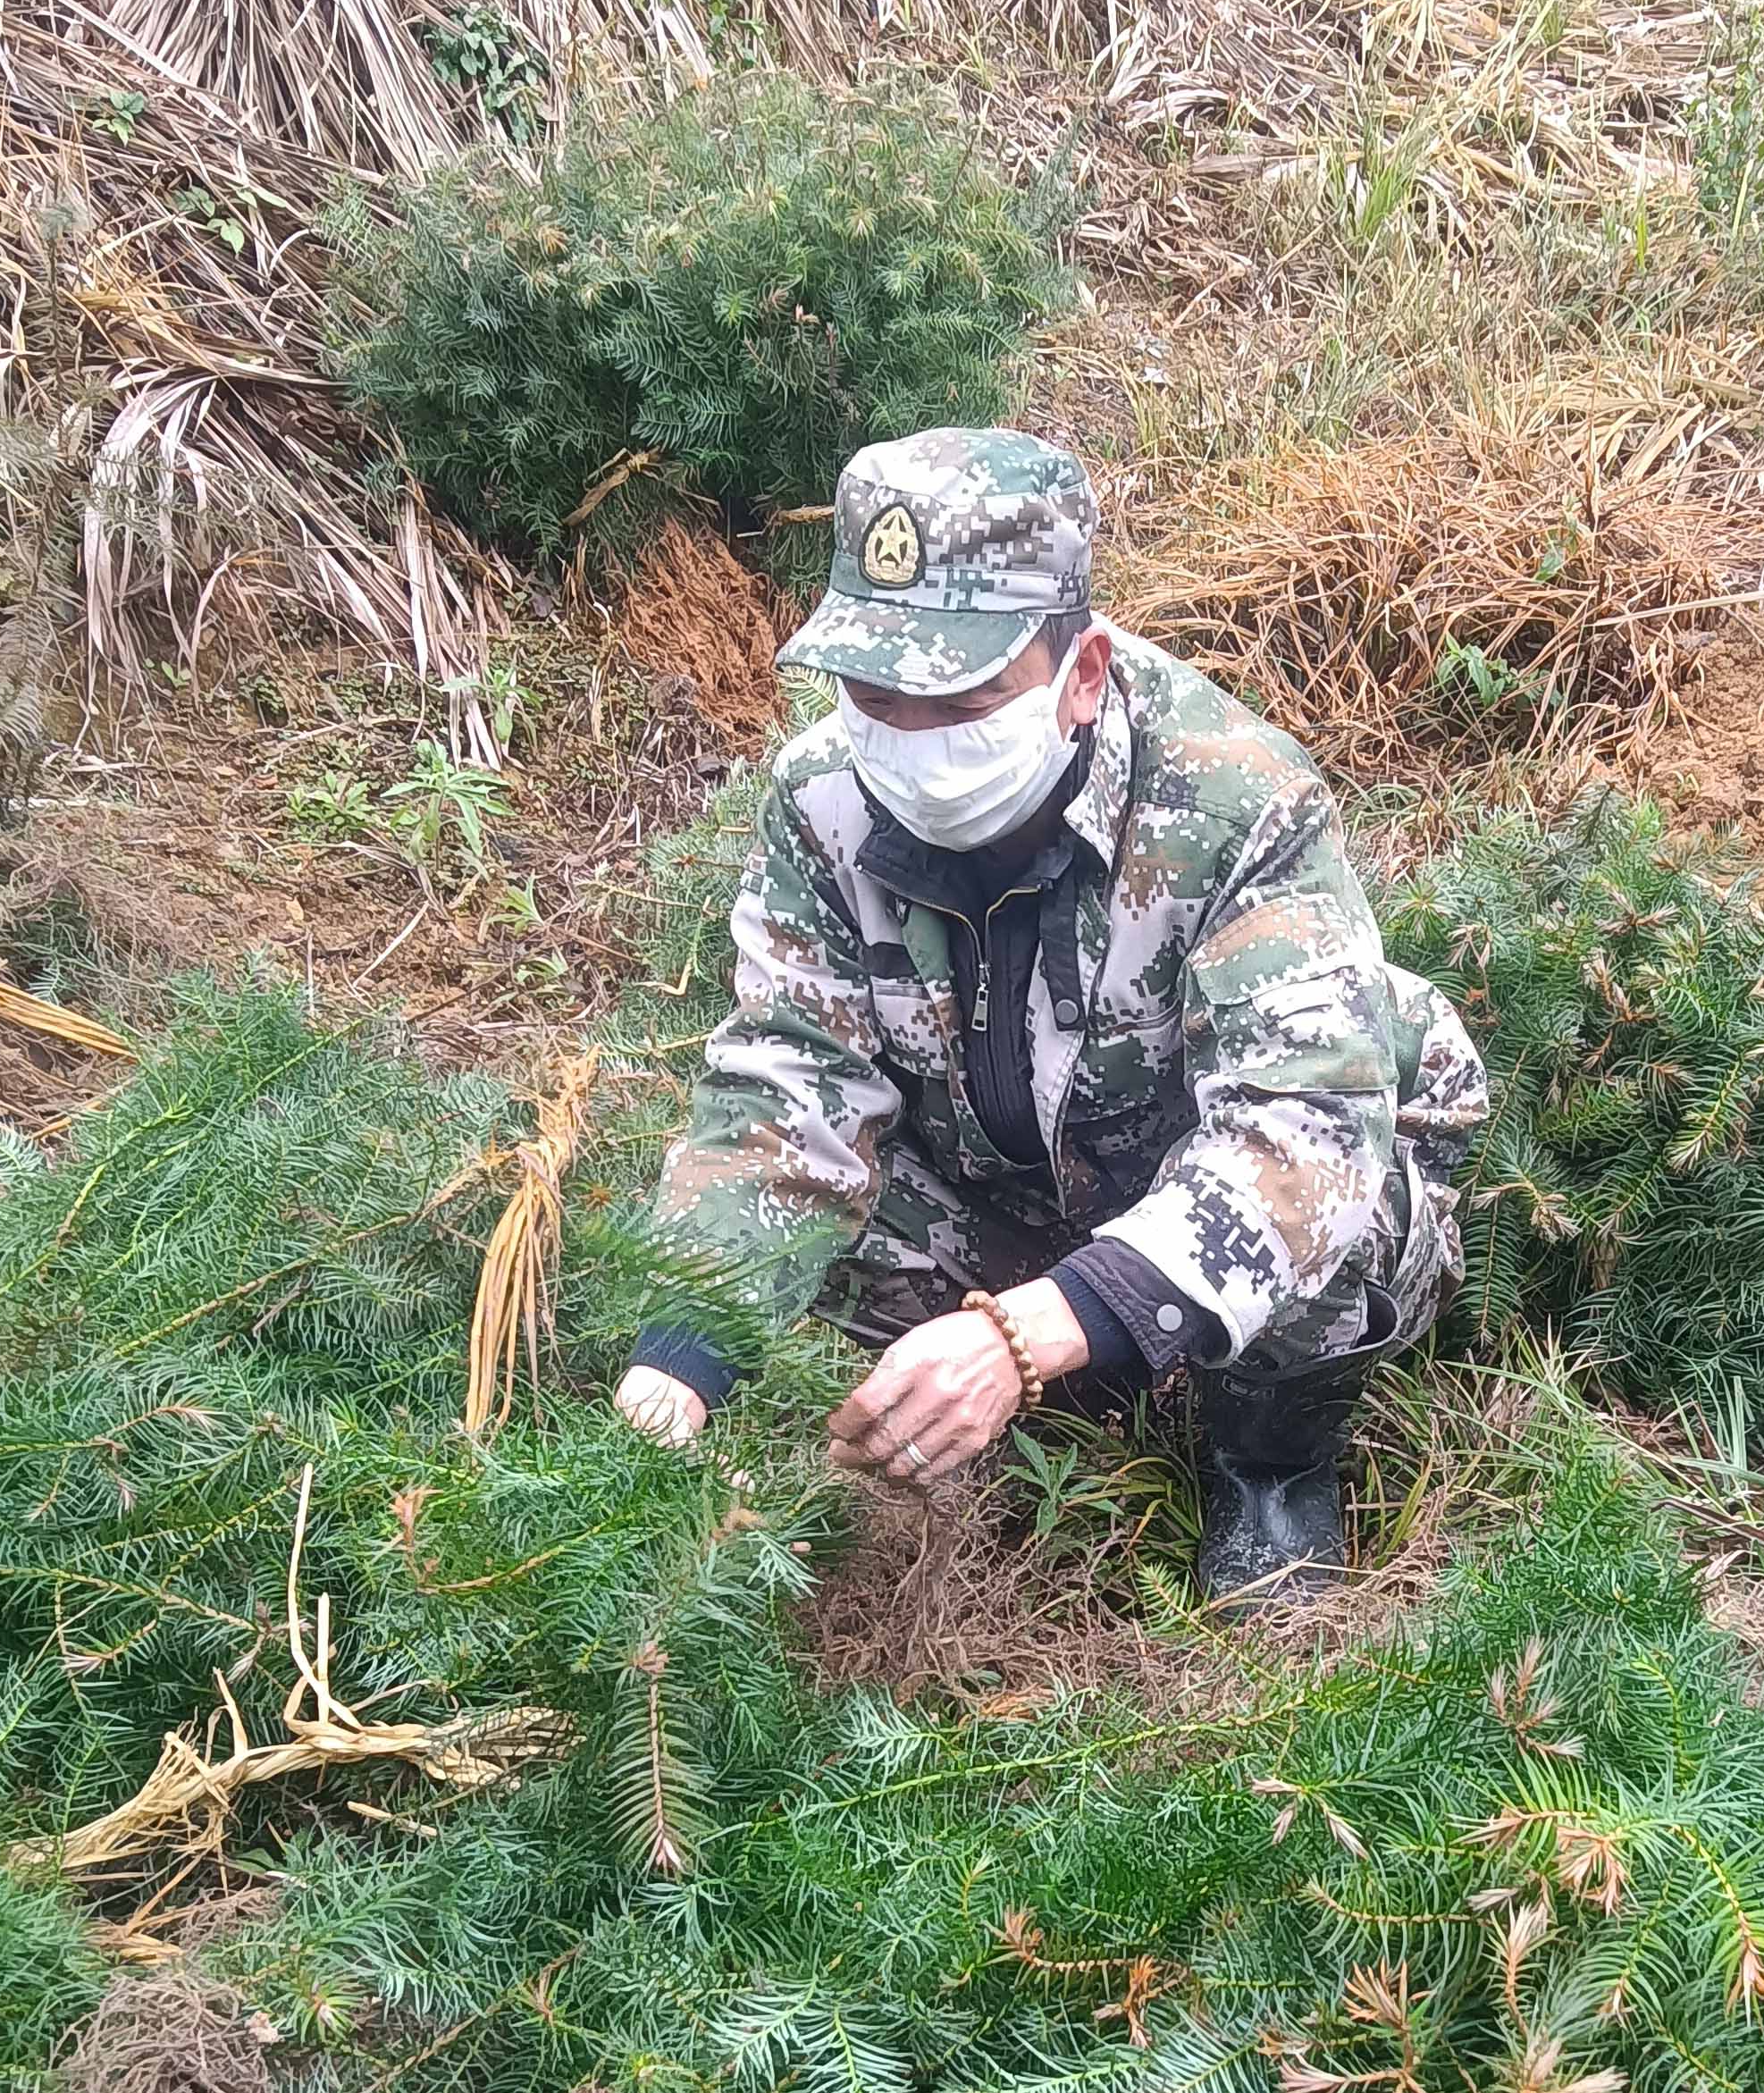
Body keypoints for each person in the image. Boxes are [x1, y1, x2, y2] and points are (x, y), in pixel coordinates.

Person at [616, 427, 1487, 1606]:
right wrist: (686, 1347)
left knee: (1341, 1211)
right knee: (801, 1247)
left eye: (959, 699)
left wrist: (1034, 1331)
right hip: (1001, 1168)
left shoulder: (1237, 800)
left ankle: (1270, 1463)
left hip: (1218, 1152)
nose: (909, 746)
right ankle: (1026, 1383)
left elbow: (1304, 1130)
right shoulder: (821, 800)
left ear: (1079, 672)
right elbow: (789, 1084)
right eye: (875, 695)